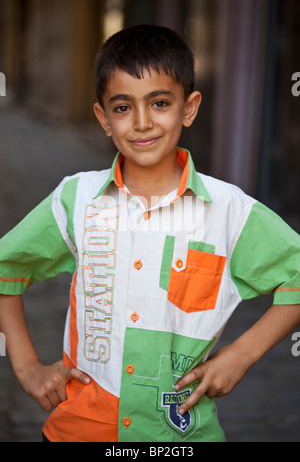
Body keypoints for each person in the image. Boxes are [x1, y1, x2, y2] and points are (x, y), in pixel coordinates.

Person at [0, 24, 299, 443]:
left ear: (189, 108)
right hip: (78, 430)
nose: (142, 123)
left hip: (181, 437)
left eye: (160, 102)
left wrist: (241, 355)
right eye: (122, 108)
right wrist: (27, 367)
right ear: (103, 118)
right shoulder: (76, 198)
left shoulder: (229, 210)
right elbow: (5, 266)